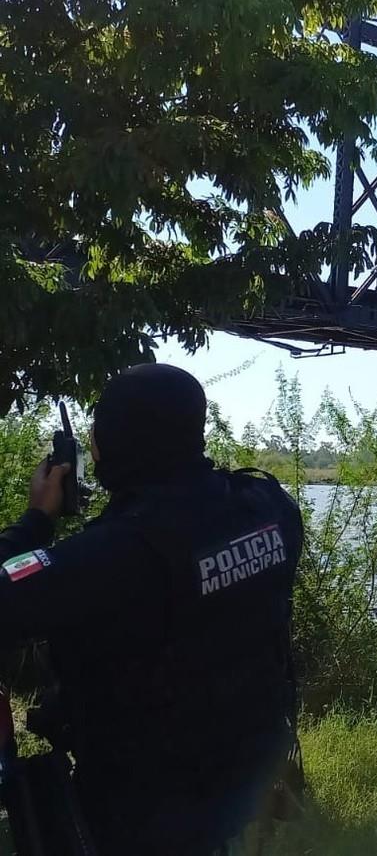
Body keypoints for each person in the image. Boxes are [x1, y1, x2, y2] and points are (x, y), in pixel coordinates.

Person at [0, 364, 304, 855]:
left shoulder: (117, 552)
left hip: (145, 814)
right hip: (241, 789)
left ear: (113, 441)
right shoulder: (267, 506)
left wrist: (37, 519)